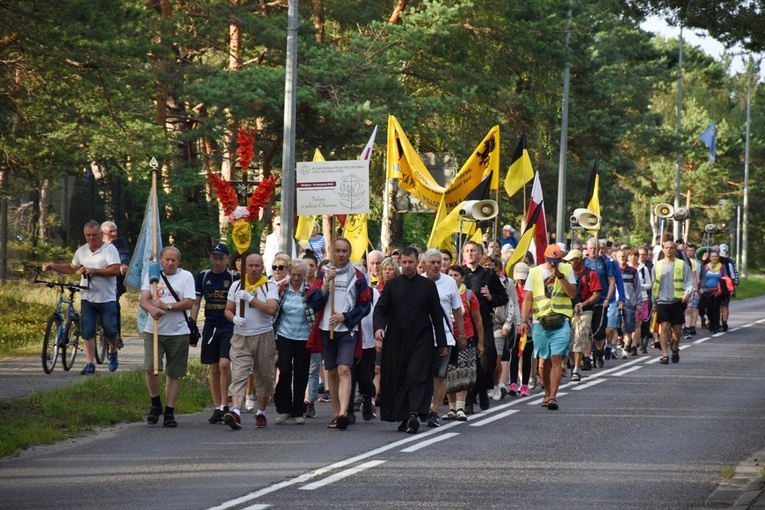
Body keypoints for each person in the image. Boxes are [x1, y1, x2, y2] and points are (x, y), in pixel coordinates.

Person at [374, 247, 448, 433]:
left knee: (417, 375)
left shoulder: (427, 285)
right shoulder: (392, 285)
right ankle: (404, 416)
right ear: (400, 263)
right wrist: (379, 328)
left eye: (411, 262)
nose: (407, 265)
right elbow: (381, 309)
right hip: (396, 339)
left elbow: (437, 315)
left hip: (421, 338)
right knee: (399, 377)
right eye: (404, 262)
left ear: (418, 263)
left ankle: (414, 413)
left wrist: (442, 342)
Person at [306, 238, 372, 430]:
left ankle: (344, 412)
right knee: (332, 371)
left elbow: (365, 306)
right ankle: (336, 413)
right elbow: (313, 301)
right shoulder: (324, 274)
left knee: (345, 369)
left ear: (349, 253)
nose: (341, 254)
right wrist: (326, 282)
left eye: (344, 251)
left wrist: (345, 316)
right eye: (338, 251)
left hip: (348, 330)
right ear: (332, 252)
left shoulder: (358, 277)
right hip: (327, 329)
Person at [42, 220, 121, 375]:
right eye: (88, 235)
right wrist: (53, 266)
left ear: (101, 235)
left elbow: (115, 270)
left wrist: (94, 271)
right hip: (88, 297)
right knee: (87, 331)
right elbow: (72, 268)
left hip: (107, 298)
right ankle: (90, 363)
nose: (92, 238)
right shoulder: (81, 251)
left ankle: (112, 350)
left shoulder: (110, 250)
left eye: (95, 235)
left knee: (110, 331)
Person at [138, 246, 195, 427]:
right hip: (154, 330)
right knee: (150, 369)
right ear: (161, 259)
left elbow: (188, 302)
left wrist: (166, 306)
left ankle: (169, 412)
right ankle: (155, 404)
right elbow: (144, 299)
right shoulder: (153, 275)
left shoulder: (186, 277)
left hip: (178, 332)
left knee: (173, 374)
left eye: (174, 260)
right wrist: (152, 309)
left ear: (179, 261)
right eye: (167, 259)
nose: (170, 263)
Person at [222, 253, 278, 429]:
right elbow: (228, 310)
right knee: (239, 373)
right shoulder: (236, 286)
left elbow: (271, 309)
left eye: (257, 266)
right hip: (241, 336)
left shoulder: (269, 286)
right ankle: (236, 412)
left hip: (264, 335)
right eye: (250, 265)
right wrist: (234, 319)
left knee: (264, 375)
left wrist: (250, 298)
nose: (253, 269)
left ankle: (261, 412)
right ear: (244, 267)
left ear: (262, 267)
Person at [519, 245, 576, 411]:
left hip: (561, 320)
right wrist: (523, 320)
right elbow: (527, 298)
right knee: (543, 361)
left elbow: (573, 293)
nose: (554, 265)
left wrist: (560, 276)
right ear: (545, 258)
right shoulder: (535, 272)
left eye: (557, 262)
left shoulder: (566, 269)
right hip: (540, 322)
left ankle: (552, 396)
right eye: (551, 262)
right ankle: (547, 391)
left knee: (556, 357)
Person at [190, 242, 240, 424]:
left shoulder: (234, 277)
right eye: (214, 258)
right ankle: (218, 406)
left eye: (221, 258)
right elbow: (196, 302)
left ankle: (226, 403)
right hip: (211, 325)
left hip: (228, 325)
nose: (217, 262)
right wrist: (192, 324)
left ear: (227, 259)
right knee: (213, 367)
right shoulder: (203, 277)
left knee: (224, 364)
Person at [461, 241, 508, 410]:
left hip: (485, 322)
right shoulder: (459, 274)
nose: (470, 253)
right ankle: (468, 398)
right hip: (464, 323)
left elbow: (503, 297)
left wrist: (490, 297)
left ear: (480, 254)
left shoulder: (488, 274)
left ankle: (482, 390)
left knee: (487, 359)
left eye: (473, 250)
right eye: (467, 251)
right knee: (467, 361)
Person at [423, 249, 464, 427]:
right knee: (422, 375)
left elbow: (457, 309)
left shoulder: (449, 283)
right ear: (424, 264)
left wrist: (461, 334)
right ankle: (419, 407)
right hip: (422, 337)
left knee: (440, 376)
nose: (436, 265)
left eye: (439, 262)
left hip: (444, 338)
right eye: (432, 262)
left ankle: (434, 411)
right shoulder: (419, 282)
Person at [273, 259, 315, 425]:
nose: (296, 278)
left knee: (301, 372)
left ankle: (298, 411)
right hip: (284, 334)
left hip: (304, 335)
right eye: (293, 274)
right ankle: (284, 409)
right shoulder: (282, 287)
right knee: (284, 370)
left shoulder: (310, 290)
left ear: (304, 275)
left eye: (299, 275)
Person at [443, 265, 483, 420]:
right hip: (447, 338)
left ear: (462, 278)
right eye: (450, 275)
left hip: (466, 339)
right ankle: (452, 408)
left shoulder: (468, 295)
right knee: (449, 373)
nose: (453, 278)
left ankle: (461, 407)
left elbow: (478, 320)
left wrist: (480, 342)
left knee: (463, 373)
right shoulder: (443, 291)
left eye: (456, 275)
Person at [651, 239, 694, 364]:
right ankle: (664, 355)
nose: (669, 250)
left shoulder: (682, 264)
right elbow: (654, 284)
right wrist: (654, 303)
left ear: (675, 250)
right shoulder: (657, 265)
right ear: (663, 250)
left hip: (677, 301)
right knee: (664, 326)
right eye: (667, 248)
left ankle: (674, 348)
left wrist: (687, 293)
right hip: (662, 301)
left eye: (671, 248)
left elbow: (689, 282)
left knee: (677, 330)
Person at [563, 249, 601, 382]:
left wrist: (583, 304)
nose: (568, 262)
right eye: (567, 260)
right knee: (567, 339)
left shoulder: (591, 274)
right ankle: (566, 364)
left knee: (579, 338)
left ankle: (576, 370)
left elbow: (596, 294)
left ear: (578, 260)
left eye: (571, 260)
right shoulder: (566, 274)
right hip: (567, 310)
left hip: (585, 311)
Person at [584, 237, 616, 368]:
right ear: (587, 249)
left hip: (601, 302)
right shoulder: (583, 262)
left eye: (595, 248)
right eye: (590, 248)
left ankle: (598, 351)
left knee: (599, 332)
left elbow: (611, 281)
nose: (592, 251)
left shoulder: (604, 262)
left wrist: (608, 298)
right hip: (587, 301)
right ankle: (586, 358)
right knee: (586, 330)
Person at [503, 262, 534, 394]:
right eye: (518, 277)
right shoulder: (511, 288)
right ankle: (513, 383)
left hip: (529, 325)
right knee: (514, 354)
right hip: (515, 326)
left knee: (526, 355)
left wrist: (526, 321)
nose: (521, 280)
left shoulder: (532, 289)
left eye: (523, 277)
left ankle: (525, 384)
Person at [101, 221, 130, 349]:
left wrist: (123, 265)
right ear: (103, 234)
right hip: (98, 281)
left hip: (115, 281)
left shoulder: (120, 243)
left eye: (115, 231)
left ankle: (116, 335)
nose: (114, 234)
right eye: (110, 232)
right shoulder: (96, 244)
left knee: (114, 305)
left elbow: (124, 255)